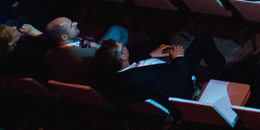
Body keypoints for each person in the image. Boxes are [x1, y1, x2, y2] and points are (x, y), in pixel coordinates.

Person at [94, 35, 225, 106]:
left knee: (161, 36)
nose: (124, 45)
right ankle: (223, 71)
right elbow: (179, 79)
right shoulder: (146, 76)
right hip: (181, 85)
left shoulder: (111, 77)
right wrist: (178, 58)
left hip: (161, 75)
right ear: (123, 56)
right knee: (203, 39)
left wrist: (150, 55)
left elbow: (134, 68)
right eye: (122, 46)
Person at [44, 17, 127, 84]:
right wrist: (96, 47)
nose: (76, 23)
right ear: (64, 37)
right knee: (116, 30)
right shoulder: (90, 53)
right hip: (100, 80)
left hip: (77, 88)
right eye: (71, 25)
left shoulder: (48, 55)